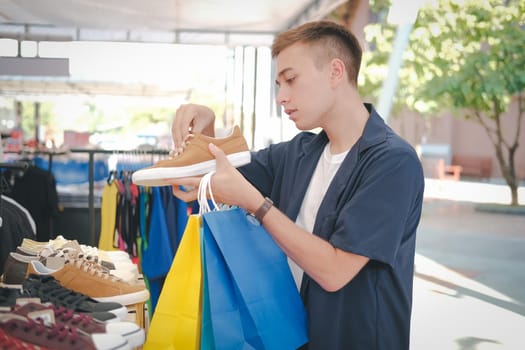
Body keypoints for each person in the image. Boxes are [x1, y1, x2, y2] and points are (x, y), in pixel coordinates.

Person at [169, 20, 424, 350]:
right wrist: (207, 127)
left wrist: (258, 206)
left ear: (335, 72)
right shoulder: (298, 152)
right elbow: (216, 169)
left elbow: (334, 272)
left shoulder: (392, 162)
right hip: (293, 337)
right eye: (278, 84)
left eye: (290, 80)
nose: (280, 97)